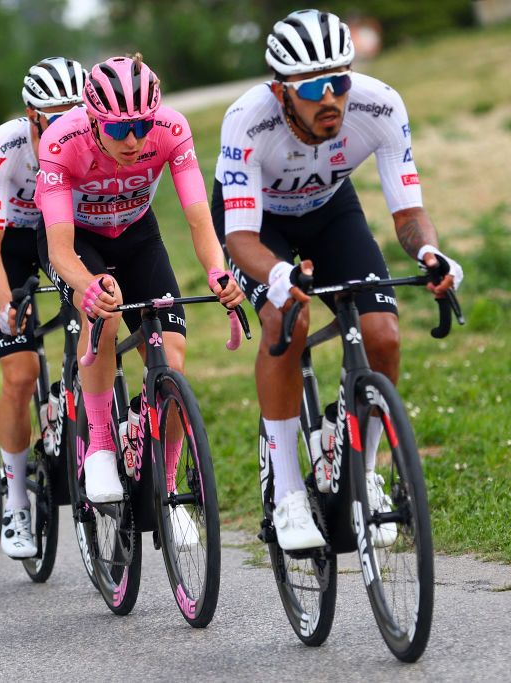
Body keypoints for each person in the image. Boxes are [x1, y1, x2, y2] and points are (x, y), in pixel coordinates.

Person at [214, 10, 462, 550]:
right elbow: (240, 240)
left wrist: (429, 251)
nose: (331, 98)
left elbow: (407, 214)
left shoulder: (379, 104)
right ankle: (286, 495)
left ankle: (364, 471)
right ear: (281, 92)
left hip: (330, 211)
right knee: (287, 319)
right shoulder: (246, 121)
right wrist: (279, 275)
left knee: (384, 335)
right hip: (260, 225)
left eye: (340, 81)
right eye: (313, 88)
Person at [35, 54, 244, 517]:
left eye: (141, 125)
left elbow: (197, 218)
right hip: (77, 240)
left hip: (136, 232)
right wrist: (87, 287)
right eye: (116, 130)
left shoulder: (170, 130)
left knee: (173, 354)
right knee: (103, 315)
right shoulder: (61, 141)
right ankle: (101, 449)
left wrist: (218, 270)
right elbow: (59, 251)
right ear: (91, 121)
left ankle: (167, 493)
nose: (132, 140)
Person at [0, 57, 86, 558]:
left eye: (74, 117)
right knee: (19, 372)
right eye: (52, 120)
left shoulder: (92, 136)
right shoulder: (6, 144)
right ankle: (16, 500)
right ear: (31, 115)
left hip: (64, 233)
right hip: (10, 243)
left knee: (91, 326)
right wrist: (5, 304)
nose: (64, 130)